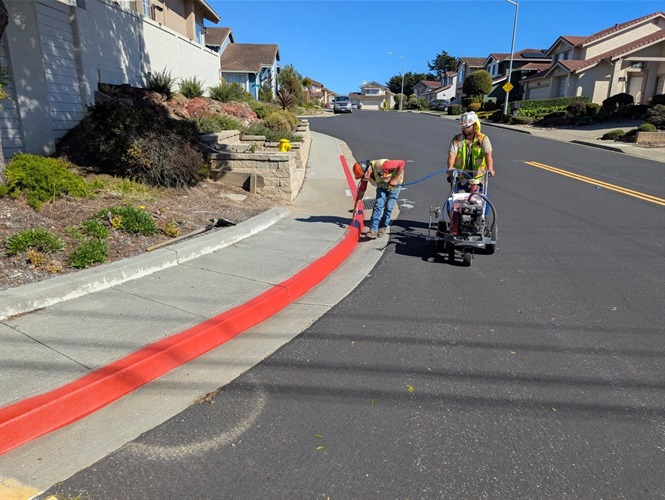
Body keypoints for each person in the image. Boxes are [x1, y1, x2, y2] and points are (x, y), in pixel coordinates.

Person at [351, 158, 406, 238]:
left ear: (367, 170)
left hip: (395, 185)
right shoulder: (366, 175)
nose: (363, 179)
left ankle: (383, 227)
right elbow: (362, 190)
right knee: (378, 204)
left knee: (389, 206)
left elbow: (402, 163)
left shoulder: (383, 166)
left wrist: (394, 179)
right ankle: (373, 229)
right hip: (382, 185)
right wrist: (356, 206)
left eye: (363, 176)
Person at [447, 111, 495, 193]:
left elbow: (488, 155)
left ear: (474, 125)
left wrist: (490, 168)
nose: (465, 129)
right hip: (461, 177)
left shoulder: (483, 139)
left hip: (477, 177)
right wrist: (450, 168)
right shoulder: (457, 139)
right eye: (464, 127)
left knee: (476, 200)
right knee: (458, 200)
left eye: (468, 127)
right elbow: (452, 155)